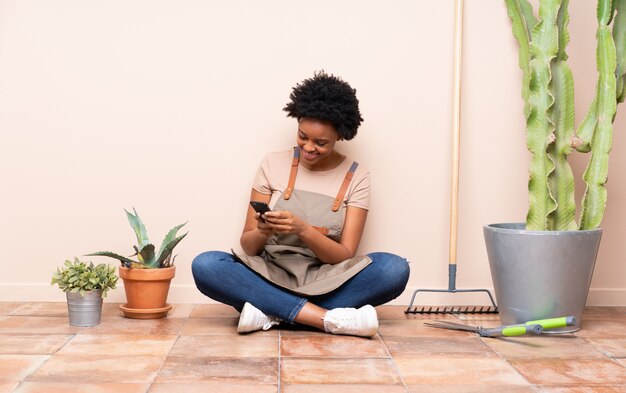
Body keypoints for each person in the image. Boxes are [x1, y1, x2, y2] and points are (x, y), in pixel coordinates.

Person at [192, 71, 410, 337]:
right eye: (302, 136)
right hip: (269, 274)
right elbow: (247, 247)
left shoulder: (358, 176)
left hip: (327, 279)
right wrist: (264, 230)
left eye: (321, 143)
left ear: (340, 136)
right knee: (207, 264)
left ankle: (271, 311)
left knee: (394, 269)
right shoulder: (272, 163)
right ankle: (327, 319)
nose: (308, 148)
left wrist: (302, 229)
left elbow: (344, 255)